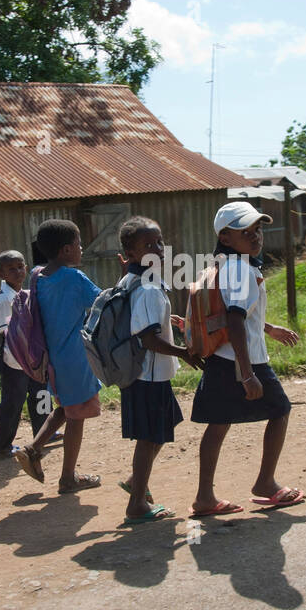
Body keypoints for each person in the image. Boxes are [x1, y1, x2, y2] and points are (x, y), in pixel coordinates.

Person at [190, 202, 306, 517]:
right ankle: (266, 483)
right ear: (226, 237)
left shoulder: (226, 264)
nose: (255, 236)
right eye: (246, 231)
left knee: (218, 424)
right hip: (244, 361)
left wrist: (268, 328)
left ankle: (204, 497)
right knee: (280, 409)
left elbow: (235, 313)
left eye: (258, 229)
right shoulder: (241, 268)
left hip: (224, 358)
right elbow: (236, 321)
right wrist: (246, 373)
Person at [116, 217, 204, 524]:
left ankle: (134, 482)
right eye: (148, 245)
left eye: (159, 242)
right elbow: (149, 338)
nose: (157, 248)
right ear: (131, 252)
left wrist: (169, 320)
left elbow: (145, 323)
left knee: (162, 427)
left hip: (145, 374)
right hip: (148, 375)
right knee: (148, 437)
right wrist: (184, 352)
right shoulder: (149, 288)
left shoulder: (133, 279)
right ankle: (137, 503)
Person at [13, 220, 103, 494]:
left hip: (55, 359)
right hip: (75, 358)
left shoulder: (39, 276)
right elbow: (103, 302)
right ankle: (68, 478)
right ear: (66, 250)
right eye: (78, 243)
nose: (81, 248)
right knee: (76, 416)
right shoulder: (74, 278)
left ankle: (32, 450)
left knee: (65, 409)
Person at [0, 249, 51, 457]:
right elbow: (6, 332)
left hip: (32, 357)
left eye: (20, 266)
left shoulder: (27, 294)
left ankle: (44, 432)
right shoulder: (2, 301)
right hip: (14, 361)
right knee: (13, 401)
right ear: (1, 275)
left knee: (41, 393)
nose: (17, 271)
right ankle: (0, 445)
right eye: (11, 269)